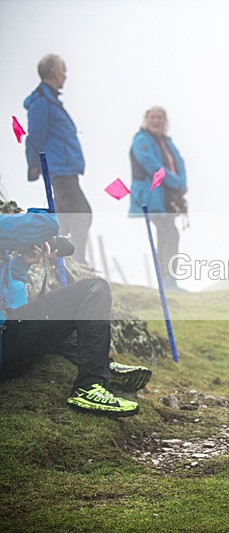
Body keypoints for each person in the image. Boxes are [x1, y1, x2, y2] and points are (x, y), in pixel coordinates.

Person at [0, 208, 148, 417]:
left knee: (59, 318)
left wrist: (22, 263)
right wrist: (49, 239)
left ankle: (103, 365)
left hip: (8, 347)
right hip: (6, 343)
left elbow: (11, 303)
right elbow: (47, 223)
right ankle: (91, 384)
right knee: (93, 289)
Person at [23, 54, 92, 266]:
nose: (66, 75)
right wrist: (33, 163)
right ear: (54, 72)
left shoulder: (51, 101)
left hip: (66, 167)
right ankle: (74, 258)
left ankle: (59, 258)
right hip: (58, 167)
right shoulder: (42, 102)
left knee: (66, 216)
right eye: (64, 71)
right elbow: (35, 134)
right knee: (82, 213)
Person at [129, 106, 188, 291]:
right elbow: (153, 167)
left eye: (160, 118)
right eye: (153, 117)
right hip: (152, 197)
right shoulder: (141, 141)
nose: (156, 121)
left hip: (166, 197)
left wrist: (182, 183)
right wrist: (177, 183)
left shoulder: (165, 141)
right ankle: (167, 281)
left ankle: (168, 280)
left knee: (167, 235)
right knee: (168, 234)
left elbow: (180, 162)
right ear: (146, 119)